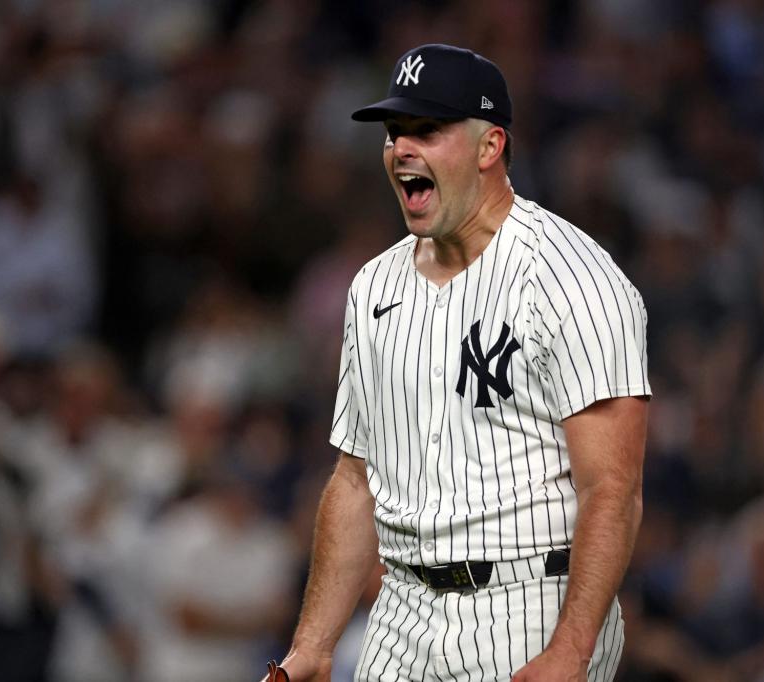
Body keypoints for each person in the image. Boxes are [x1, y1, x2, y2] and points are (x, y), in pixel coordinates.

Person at [267, 43, 651, 681]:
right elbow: (356, 480)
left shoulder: (574, 279)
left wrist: (571, 649)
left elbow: (613, 489)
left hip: (530, 603)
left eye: (427, 130)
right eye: (395, 134)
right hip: (400, 613)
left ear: (489, 146)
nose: (402, 150)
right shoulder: (373, 288)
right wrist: (312, 644)